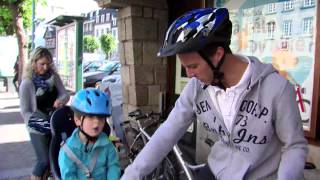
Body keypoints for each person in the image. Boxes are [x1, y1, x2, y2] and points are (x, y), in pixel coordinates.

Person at [121, 8, 308, 180]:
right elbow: (168, 132)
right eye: (185, 67)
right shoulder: (197, 88)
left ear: (218, 54)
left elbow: (294, 146)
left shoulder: (276, 89)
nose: (189, 74)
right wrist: (132, 174)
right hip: (217, 170)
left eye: (193, 66)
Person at [19, 47, 70, 180]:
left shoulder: (54, 77)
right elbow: (25, 111)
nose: (45, 67)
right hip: (36, 126)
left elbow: (65, 94)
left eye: (48, 63)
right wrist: (42, 125)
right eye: (42, 64)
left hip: (54, 122)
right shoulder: (27, 83)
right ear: (34, 62)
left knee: (52, 161)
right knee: (43, 161)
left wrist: (60, 100)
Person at [58, 88, 120, 179]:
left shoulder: (106, 143)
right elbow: (69, 176)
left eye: (101, 118)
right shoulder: (68, 151)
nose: (96, 123)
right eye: (90, 117)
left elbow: (113, 166)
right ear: (77, 120)